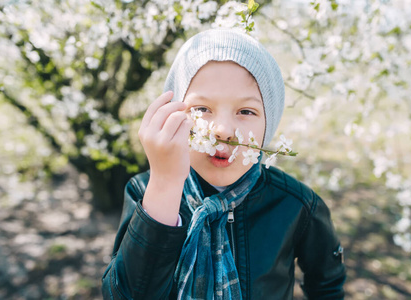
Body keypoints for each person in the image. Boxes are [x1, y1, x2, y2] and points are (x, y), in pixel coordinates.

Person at [102, 28, 346, 300]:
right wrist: (165, 185)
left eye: (246, 111)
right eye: (202, 109)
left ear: (269, 124)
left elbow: (327, 286)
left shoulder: (296, 205)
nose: (223, 130)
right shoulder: (145, 190)